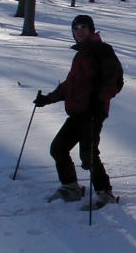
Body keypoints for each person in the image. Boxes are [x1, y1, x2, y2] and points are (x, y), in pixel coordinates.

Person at [34, 14, 123, 208]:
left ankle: (105, 194)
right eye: (75, 28)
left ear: (91, 29)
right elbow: (69, 86)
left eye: (83, 27)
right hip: (77, 112)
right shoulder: (80, 55)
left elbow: (115, 81)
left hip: (93, 113)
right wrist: (47, 99)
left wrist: (99, 100)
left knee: (88, 155)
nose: (79, 31)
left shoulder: (102, 50)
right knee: (58, 148)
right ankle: (70, 188)